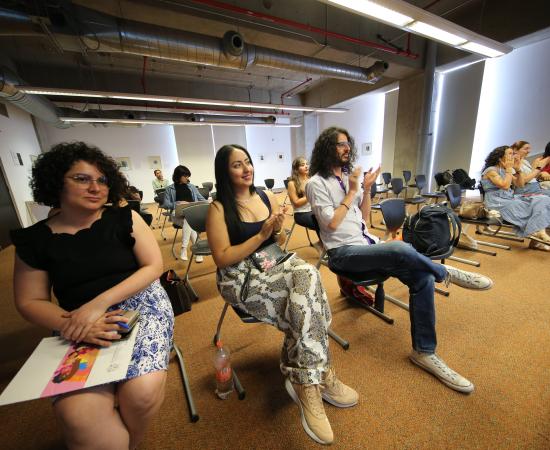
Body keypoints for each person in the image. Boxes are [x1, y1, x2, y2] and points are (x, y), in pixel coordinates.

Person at [10, 142, 174, 450]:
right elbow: (29, 301)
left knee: (141, 392)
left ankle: (132, 443)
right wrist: (75, 322)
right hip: (75, 318)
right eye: (81, 179)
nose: (95, 187)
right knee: (78, 415)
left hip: (141, 303)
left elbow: (153, 267)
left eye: (101, 180)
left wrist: (98, 305)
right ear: (56, 181)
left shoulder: (124, 218)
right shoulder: (34, 240)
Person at [306, 127, 494, 395]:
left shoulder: (348, 178)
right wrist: (352, 191)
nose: (347, 148)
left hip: (367, 245)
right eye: (340, 144)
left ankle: (424, 352)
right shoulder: (315, 184)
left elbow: (363, 217)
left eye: (348, 143)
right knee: (399, 247)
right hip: (342, 254)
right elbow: (332, 224)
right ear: (327, 148)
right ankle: (445, 273)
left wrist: (365, 190)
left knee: (422, 277)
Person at [206, 144, 358, 445]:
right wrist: (262, 234)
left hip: (272, 261)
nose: (246, 169)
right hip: (241, 276)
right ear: (224, 171)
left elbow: (276, 240)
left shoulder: (266, 195)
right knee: (305, 299)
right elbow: (222, 258)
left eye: (248, 162)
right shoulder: (219, 208)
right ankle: (319, 375)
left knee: (310, 276)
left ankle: (306, 379)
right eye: (237, 165)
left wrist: (275, 230)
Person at [481, 145, 550, 250]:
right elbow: (505, 185)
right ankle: (538, 234)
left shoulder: (505, 170)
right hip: (496, 202)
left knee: (543, 199)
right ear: (500, 158)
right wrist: (509, 169)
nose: (513, 156)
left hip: (509, 198)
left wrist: (518, 170)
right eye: (510, 154)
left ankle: (539, 234)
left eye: (513, 153)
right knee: (523, 205)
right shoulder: (491, 170)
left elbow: (520, 184)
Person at [162, 165, 206, 262]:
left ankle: (184, 248)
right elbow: (165, 204)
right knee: (188, 220)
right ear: (178, 176)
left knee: (188, 219)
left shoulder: (192, 187)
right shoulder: (169, 189)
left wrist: (209, 202)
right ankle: (197, 252)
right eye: (185, 176)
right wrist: (176, 203)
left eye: (188, 176)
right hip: (176, 213)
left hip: (190, 213)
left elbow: (201, 199)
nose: (187, 178)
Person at [287, 156, 322, 253]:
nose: (306, 166)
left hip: (313, 210)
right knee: (320, 222)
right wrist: (309, 195)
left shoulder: (311, 179)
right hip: (301, 213)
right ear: (296, 169)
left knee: (327, 218)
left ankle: (321, 244)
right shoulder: (292, 183)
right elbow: (296, 203)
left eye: (307, 164)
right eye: (302, 165)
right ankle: (323, 246)